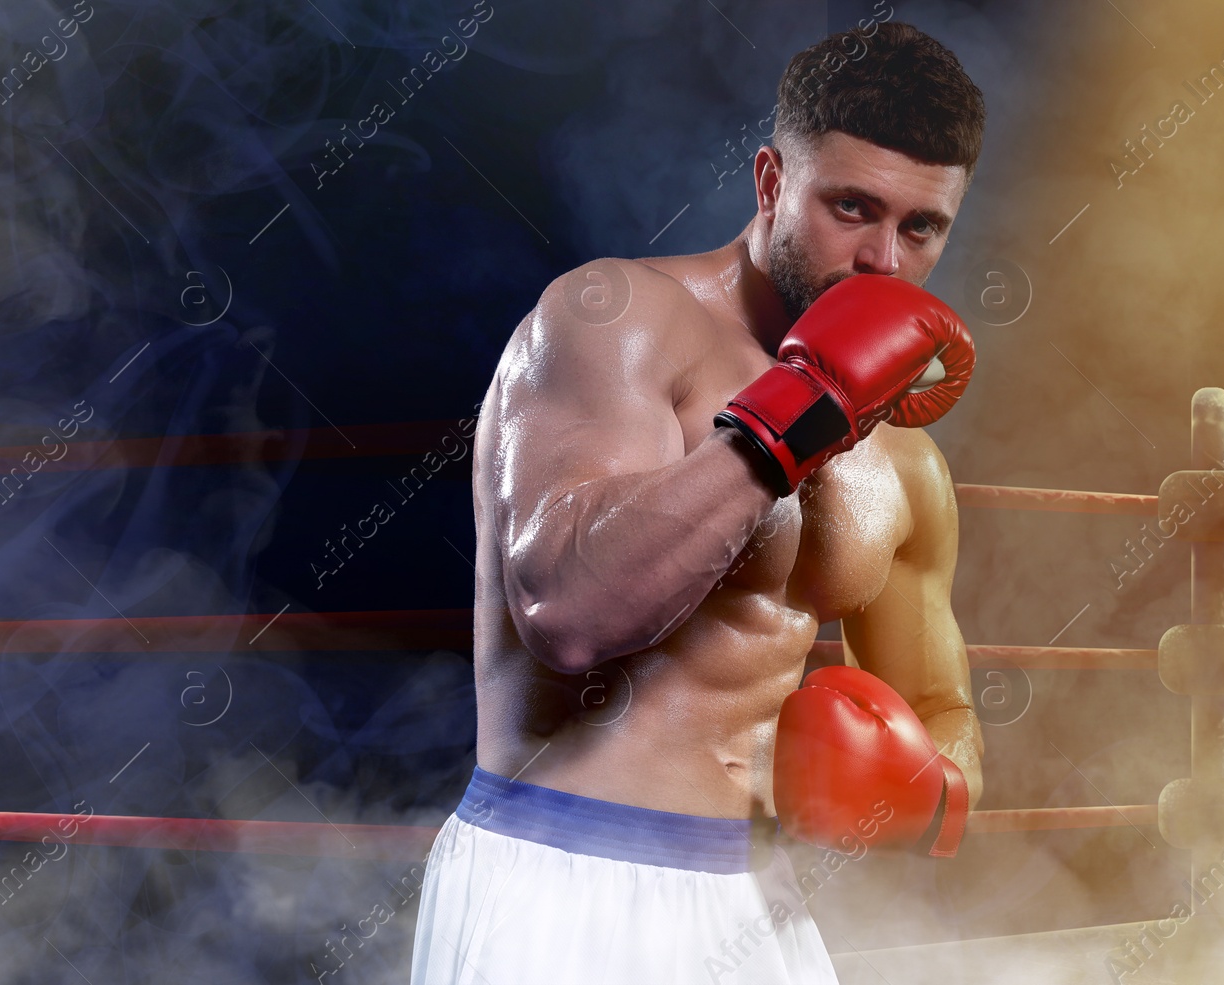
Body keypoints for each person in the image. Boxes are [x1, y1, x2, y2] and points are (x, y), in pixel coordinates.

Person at [412, 21, 986, 985]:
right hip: (564, 878)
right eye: (852, 207)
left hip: (755, 906)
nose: (883, 260)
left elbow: (941, 705)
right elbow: (569, 614)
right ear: (770, 182)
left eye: (921, 227)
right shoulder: (617, 321)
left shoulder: (909, 463)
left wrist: (934, 794)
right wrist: (799, 418)